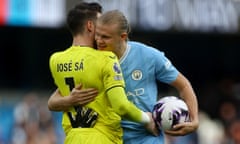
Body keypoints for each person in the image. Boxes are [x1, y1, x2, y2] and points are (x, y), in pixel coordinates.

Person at [48, 9, 199, 144]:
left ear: (123, 36)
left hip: (146, 137)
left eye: (105, 37)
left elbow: (183, 85)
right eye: (97, 35)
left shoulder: (149, 56)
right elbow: (54, 100)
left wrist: (194, 120)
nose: (99, 41)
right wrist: (70, 99)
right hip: (112, 138)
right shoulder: (93, 59)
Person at [48, 3, 157, 144]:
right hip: (102, 138)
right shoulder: (105, 58)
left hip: (72, 138)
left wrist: (67, 101)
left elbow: (55, 99)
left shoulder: (56, 60)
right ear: (90, 26)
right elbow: (121, 106)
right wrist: (147, 119)